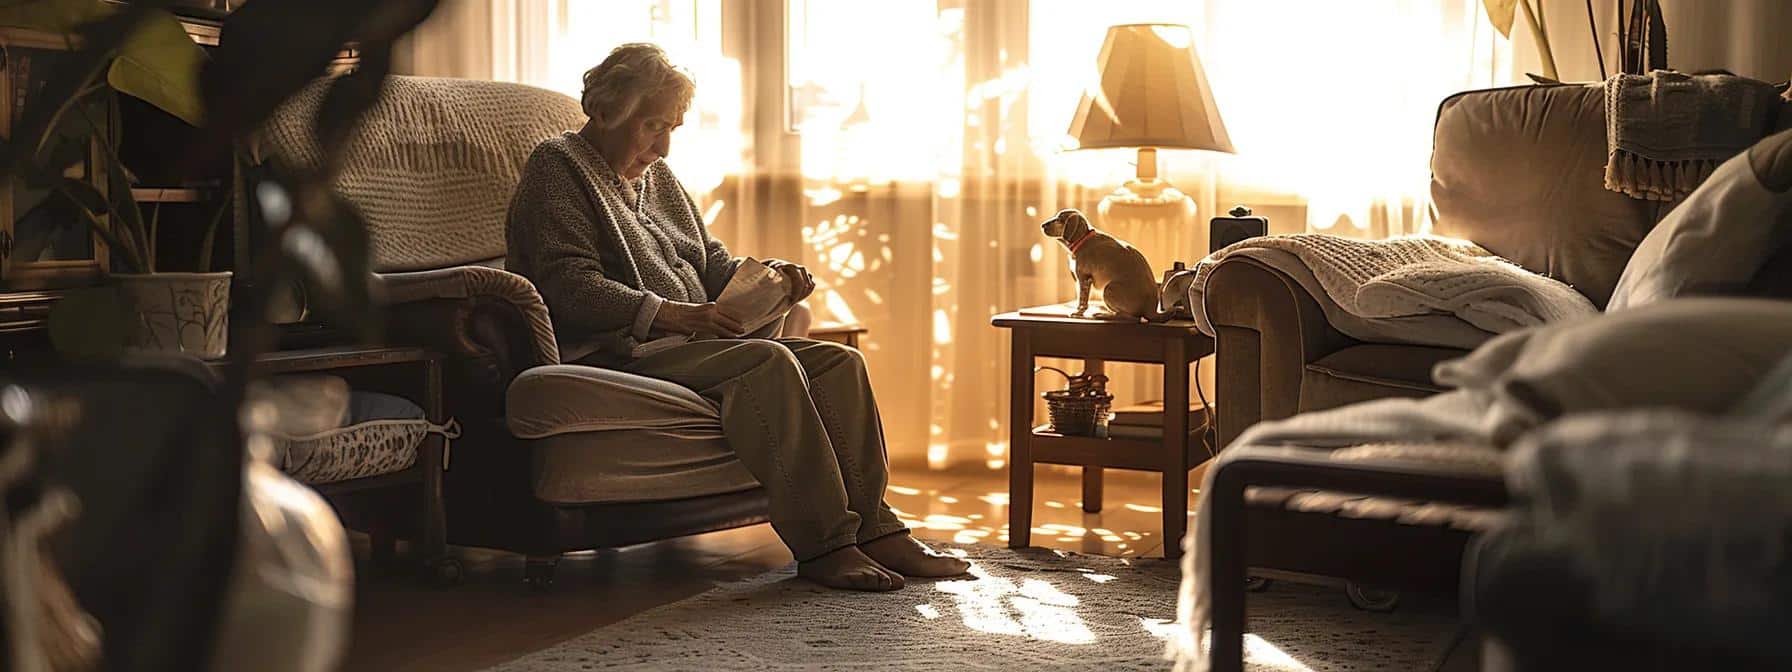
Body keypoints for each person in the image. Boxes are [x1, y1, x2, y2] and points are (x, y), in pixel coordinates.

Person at [505, 43, 969, 591]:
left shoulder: (658, 179)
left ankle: (878, 530)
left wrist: (772, 278)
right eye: (654, 126)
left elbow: (709, 260)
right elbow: (569, 287)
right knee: (765, 363)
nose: (664, 147)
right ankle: (826, 545)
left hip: (683, 345)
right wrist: (678, 316)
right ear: (605, 111)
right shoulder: (556, 168)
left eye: (673, 127)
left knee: (839, 363)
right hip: (619, 353)